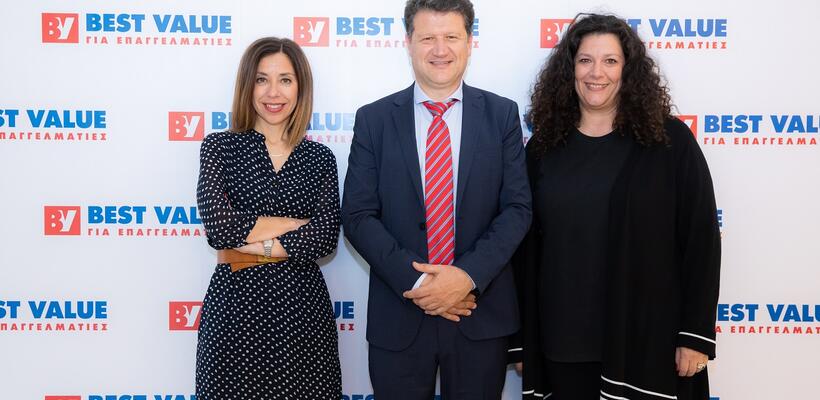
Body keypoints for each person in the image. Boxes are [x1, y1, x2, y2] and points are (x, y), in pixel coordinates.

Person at [509, 13, 721, 400]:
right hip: (562, 343)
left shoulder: (669, 141)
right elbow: (523, 251)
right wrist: (523, 341)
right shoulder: (542, 148)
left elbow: (701, 241)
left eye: (610, 61)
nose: (597, 73)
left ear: (629, 70)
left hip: (647, 342)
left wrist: (696, 335)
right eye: (585, 60)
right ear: (569, 69)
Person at [341, 0, 532, 398]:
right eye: (428, 37)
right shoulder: (373, 120)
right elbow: (358, 215)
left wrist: (465, 278)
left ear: (469, 42)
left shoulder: (501, 115)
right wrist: (423, 283)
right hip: (401, 314)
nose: (439, 49)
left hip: (478, 315)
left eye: (451, 37)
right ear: (408, 42)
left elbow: (517, 209)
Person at [195, 37, 342, 399]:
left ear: (300, 88)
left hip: (302, 311)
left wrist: (253, 238)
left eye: (285, 80)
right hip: (236, 308)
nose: (272, 92)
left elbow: (324, 238)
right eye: (261, 79)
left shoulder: (319, 158)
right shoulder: (220, 147)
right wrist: (295, 224)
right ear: (248, 85)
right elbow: (219, 227)